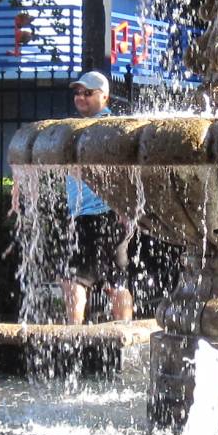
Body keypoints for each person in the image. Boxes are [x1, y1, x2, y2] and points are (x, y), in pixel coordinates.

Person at [62, 70, 133, 323]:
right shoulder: (102, 127)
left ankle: (72, 339)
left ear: (104, 96)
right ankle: (125, 341)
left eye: (87, 93)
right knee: (115, 281)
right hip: (105, 215)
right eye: (78, 92)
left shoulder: (101, 128)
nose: (80, 97)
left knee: (73, 279)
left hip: (96, 214)